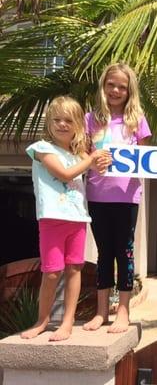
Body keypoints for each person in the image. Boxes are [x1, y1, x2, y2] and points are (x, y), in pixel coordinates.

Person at [23, 96, 109, 341]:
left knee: (74, 269)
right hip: (52, 218)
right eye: (57, 119)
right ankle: (42, 320)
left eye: (68, 120)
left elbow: (98, 168)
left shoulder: (79, 152)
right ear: (49, 122)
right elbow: (64, 173)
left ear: (77, 125)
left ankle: (68, 321)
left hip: (78, 219)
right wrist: (91, 160)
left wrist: (103, 157)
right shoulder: (42, 149)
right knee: (51, 272)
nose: (62, 124)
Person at [83, 63, 151, 333]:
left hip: (127, 197)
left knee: (125, 253)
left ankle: (123, 310)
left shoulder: (138, 122)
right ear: (103, 85)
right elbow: (82, 156)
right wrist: (92, 162)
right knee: (103, 254)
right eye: (111, 84)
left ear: (129, 90)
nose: (116, 90)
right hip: (97, 195)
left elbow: (146, 161)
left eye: (122, 86)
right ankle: (101, 312)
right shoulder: (90, 119)